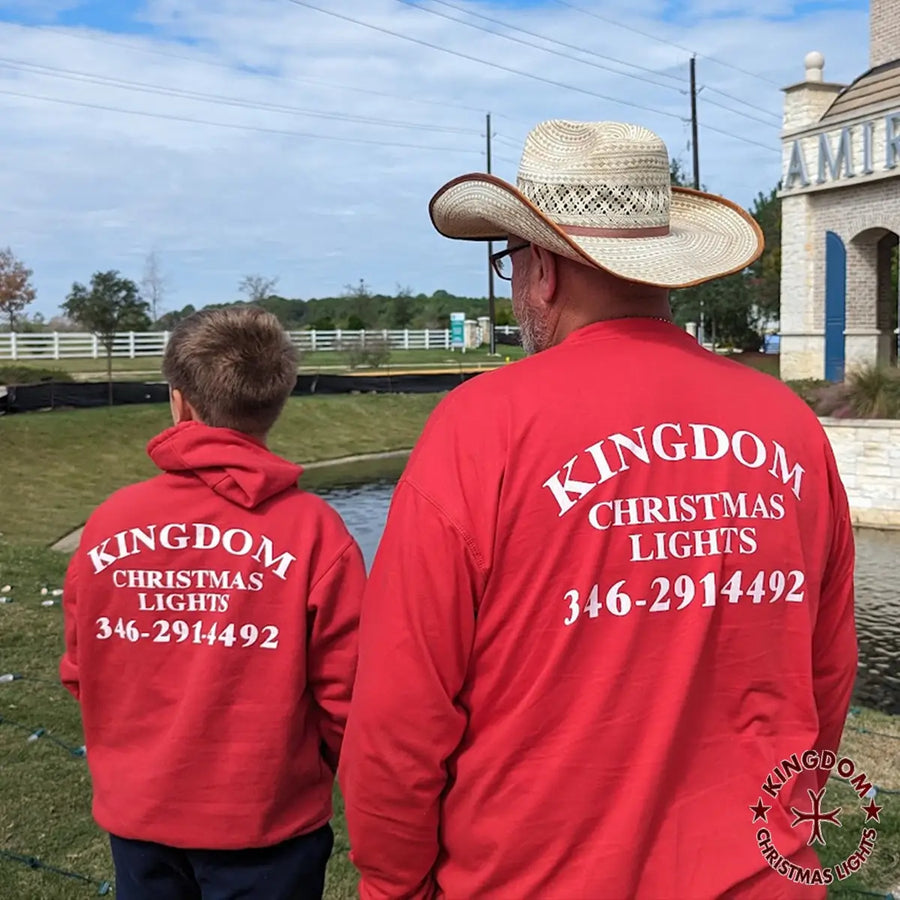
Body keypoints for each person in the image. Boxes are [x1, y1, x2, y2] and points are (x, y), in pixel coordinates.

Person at [339, 120, 857, 899]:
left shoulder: (482, 427)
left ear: (542, 270)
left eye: (510, 260)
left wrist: (394, 887)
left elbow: (399, 719)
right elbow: (826, 677)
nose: (515, 285)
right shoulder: (787, 424)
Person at [60, 306, 365, 900]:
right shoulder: (313, 532)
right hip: (266, 823)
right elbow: (348, 698)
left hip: (141, 817)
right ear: (278, 401)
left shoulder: (109, 523)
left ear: (180, 401)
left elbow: (82, 670)